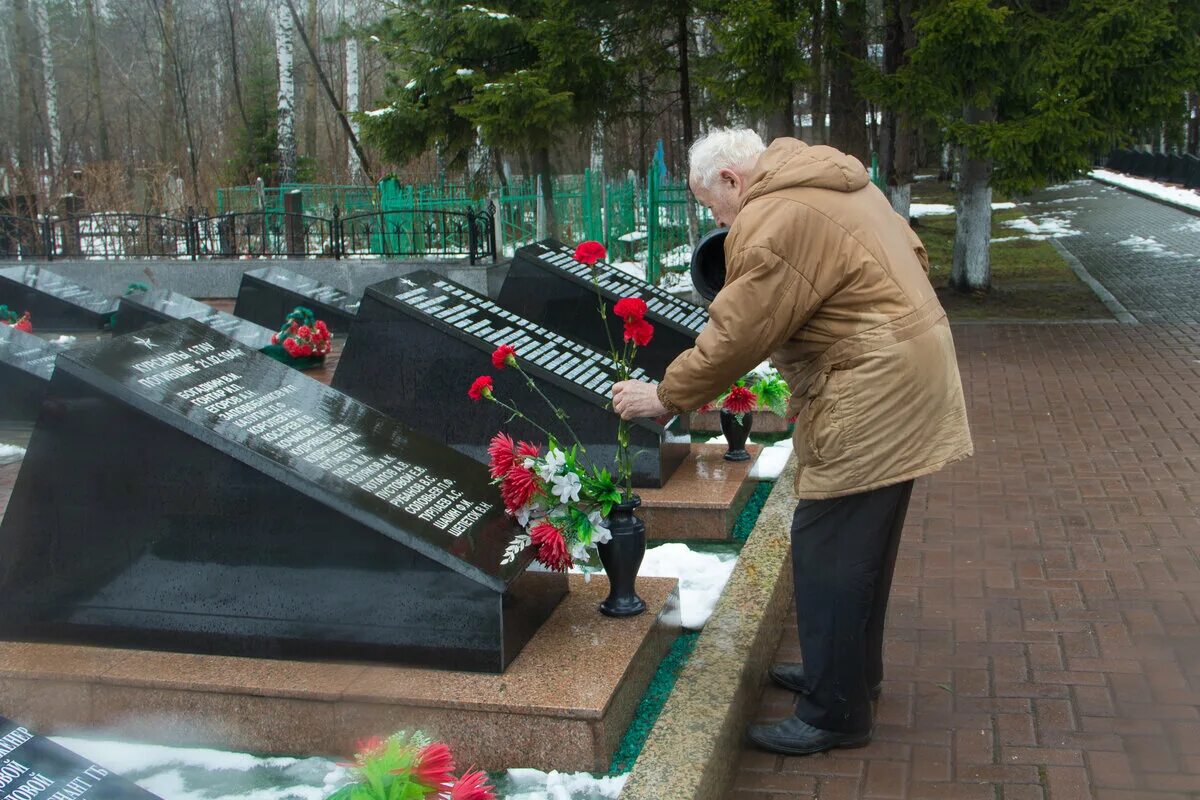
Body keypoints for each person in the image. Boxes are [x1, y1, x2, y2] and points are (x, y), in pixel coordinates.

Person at [611, 128, 973, 756]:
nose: (715, 219)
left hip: (872, 382)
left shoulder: (775, 214)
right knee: (863, 540)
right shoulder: (827, 184)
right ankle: (850, 677)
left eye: (710, 204)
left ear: (732, 179)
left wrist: (666, 396)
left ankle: (835, 712)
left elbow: (739, 331)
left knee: (826, 541)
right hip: (906, 366)